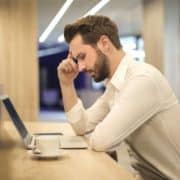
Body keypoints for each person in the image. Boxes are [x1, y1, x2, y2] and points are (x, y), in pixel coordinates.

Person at [57, 15, 180, 179]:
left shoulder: (142, 79)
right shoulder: (115, 87)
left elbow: (101, 141)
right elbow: (82, 125)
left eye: (82, 57)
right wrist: (66, 84)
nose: (80, 67)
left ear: (104, 44)